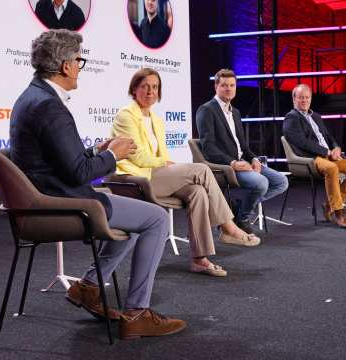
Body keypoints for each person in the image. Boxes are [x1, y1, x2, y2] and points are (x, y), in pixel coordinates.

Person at [9, 29, 185, 339]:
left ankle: (89, 288)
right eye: (79, 60)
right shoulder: (49, 106)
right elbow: (79, 173)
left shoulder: (32, 97)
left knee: (134, 218)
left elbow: (61, 159)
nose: (80, 67)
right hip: (64, 204)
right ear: (65, 66)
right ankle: (137, 313)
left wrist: (97, 151)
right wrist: (113, 155)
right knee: (155, 218)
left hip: (48, 196)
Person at [111, 68, 261, 277]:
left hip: (155, 173)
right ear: (134, 89)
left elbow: (159, 157)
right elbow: (137, 158)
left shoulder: (155, 119)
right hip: (136, 178)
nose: (150, 91)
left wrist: (165, 163)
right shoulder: (126, 116)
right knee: (201, 169)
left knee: (197, 191)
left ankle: (200, 259)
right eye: (144, 86)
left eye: (155, 87)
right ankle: (228, 226)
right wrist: (165, 162)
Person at [196, 69, 289, 233]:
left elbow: (243, 146)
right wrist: (233, 163)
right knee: (261, 183)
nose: (229, 89)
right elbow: (208, 148)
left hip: (244, 162)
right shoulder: (206, 110)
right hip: (226, 166)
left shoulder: (235, 112)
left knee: (281, 182)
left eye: (232, 85)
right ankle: (243, 218)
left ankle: (238, 210)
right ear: (216, 86)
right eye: (224, 85)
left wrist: (254, 159)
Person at [283, 84, 346, 229]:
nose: (304, 100)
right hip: (311, 158)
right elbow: (303, 143)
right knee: (332, 168)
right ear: (294, 99)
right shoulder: (291, 118)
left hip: (329, 155)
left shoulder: (316, 116)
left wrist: (336, 148)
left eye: (307, 97)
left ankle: (329, 205)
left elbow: (327, 136)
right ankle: (339, 212)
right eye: (301, 97)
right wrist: (326, 152)